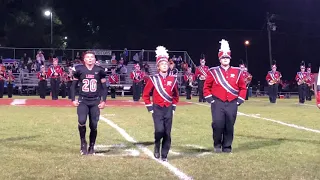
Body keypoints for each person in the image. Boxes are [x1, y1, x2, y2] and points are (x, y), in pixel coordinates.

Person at [203, 39, 247, 153]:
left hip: (232, 102)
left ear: (229, 59)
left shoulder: (237, 71)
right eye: (223, 58)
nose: (225, 59)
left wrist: (239, 100)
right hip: (217, 102)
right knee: (217, 124)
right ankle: (217, 144)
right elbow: (206, 87)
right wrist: (210, 99)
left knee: (229, 126)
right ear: (220, 59)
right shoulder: (213, 71)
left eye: (227, 58)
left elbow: (243, 87)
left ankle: (227, 146)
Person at [142, 46, 179, 161]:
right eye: (162, 64)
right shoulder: (153, 79)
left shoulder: (173, 79)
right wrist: (150, 107)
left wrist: (173, 107)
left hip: (168, 108)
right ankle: (157, 144)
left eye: (166, 64)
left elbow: (176, 95)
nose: (164, 65)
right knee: (159, 130)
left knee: (167, 133)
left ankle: (164, 154)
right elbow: (146, 94)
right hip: (157, 108)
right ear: (158, 67)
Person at [70, 51, 108, 155]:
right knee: (82, 121)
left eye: (92, 57)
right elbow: (73, 86)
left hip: (95, 101)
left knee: (94, 125)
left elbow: (104, 87)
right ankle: (83, 143)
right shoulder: (79, 70)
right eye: (88, 57)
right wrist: (73, 99)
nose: (90, 59)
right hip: (83, 100)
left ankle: (92, 146)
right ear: (84, 59)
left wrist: (103, 100)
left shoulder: (100, 70)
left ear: (95, 59)